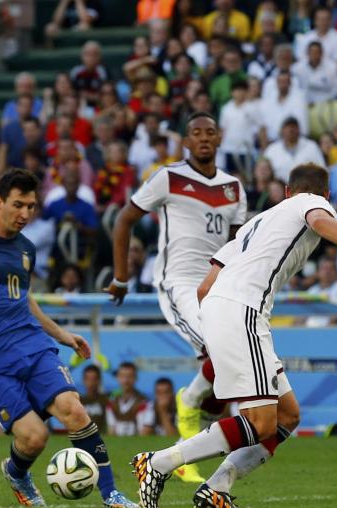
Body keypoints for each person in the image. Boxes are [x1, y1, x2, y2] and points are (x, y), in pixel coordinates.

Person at [132, 163, 337, 508]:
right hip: (242, 310)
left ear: (287, 191)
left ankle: (218, 487)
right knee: (261, 422)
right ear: (322, 195)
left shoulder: (255, 223)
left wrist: (220, 326)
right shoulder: (311, 204)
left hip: (224, 309)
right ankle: (158, 462)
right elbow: (320, 221)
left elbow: (204, 287)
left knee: (287, 416)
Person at [0, 168, 139, 508]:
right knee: (34, 437)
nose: (25, 214)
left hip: (33, 345)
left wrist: (62, 335)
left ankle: (111, 493)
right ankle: (16, 472)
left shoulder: (27, 248)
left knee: (73, 410)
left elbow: (25, 299)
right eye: (18, 205)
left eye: (31, 206)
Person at [109, 112, 246, 485]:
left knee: (229, 370)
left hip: (219, 284)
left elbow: (236, 246)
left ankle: (192, 441)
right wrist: (122, 277)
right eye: (196, 133)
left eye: (210, 132)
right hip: (180, 283)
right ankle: (187, 404)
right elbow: (124, 219)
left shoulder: (233, 187)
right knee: (221, 351)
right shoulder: (168, 177)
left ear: (219, 140)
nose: (203, 138)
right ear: (186, 141)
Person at [263, 117, 325, 182]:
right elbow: (263, 171)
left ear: (299, 130)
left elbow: (322, 170)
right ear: (282, 130)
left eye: (294, 127)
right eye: (288, 127)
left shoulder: (311, 146)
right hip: (279, 190)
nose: (291, 130)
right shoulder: (271, 150)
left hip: (307, 189)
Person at [105, 362, 150, 437]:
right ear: (117, 377)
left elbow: (144, 433)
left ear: (136, 378)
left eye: (130, 376)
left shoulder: (144, 401)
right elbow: (111, 430)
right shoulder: (112, 401)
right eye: (122, 376)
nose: (126, 381)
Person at [79, 365, 109, 431]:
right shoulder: (78, 401)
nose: (91, 383)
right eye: (87, 379)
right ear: (83, 380)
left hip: (103, 438)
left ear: (99, 380)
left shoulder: (106, 399)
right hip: (83, 438)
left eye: (94, 379)